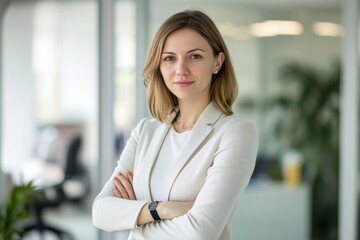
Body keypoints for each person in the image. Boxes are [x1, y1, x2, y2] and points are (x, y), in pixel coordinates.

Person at [92, 9, 258, 240]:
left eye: (195, 56)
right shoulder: (145, 132)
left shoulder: (235, 133)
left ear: (217, 62)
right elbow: (100, 212)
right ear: (159, 65)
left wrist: (133, 218)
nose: (181, 69)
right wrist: (159, 209)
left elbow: (199, 232)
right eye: (170, 58)